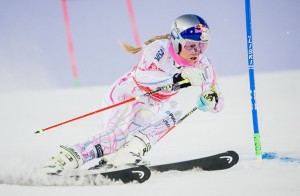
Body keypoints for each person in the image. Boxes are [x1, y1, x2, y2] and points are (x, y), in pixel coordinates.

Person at [44, 14, 224, 174]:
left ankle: (128, 155)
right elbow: (142, 77)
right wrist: (177, 78)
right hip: (128, 94)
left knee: (174, 111)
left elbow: (216, 100)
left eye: (202, 46)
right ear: (176, 41)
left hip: (153, 103)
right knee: (116, 138)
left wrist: (211, 100)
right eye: (191, 46)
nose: (197, 52)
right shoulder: (158, 48)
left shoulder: (203, 64)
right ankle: (64, 159)